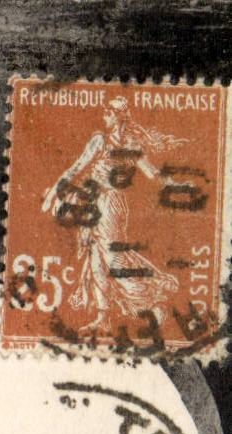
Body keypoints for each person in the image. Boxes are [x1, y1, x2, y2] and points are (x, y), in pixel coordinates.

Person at [40, 96, 187, 337]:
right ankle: (103, 318)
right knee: (95, 259)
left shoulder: (131, 145)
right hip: (92, 202)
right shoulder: (99, 140)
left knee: (113, 259)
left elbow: (152, 173)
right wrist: (56, 190)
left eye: (109, 112)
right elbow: (77, 167)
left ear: (120, 116)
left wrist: (174, 185)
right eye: (105, 111)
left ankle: (152, 301)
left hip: (112, 204)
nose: (105, 116)